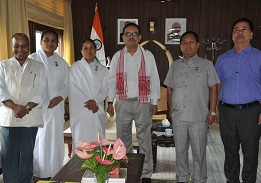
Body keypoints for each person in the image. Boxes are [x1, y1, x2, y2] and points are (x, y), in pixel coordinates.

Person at [107, 22, 160, 183]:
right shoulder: (117, 56)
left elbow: (155, 79)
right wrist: (110, 101)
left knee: (145, 138)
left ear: (140, 37)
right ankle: (125, 169)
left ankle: (146, 174)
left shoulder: (148, 55)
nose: (131, 36)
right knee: (122, 139)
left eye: (134, 34)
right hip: (122, 102)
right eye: (128, 34)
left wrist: (154, 101)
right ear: (123, 37)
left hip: (143, 102)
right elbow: (111, 80)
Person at [164, 31, 220, 183]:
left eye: (191, 42)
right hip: (179, 117)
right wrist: (170, 112)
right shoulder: (175, 66)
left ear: (198, 45)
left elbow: (214, 88)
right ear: (180, 46)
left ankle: (199, 179)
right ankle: (182, 178)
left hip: (199, 117)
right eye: (184, 43)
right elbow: (169, 88)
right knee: (180, 152)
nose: (188, 45)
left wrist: (212, 111)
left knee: (199, 152)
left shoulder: (206, 65)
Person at [215, 18, 261, 183]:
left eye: (244, 29)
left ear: (251, 34)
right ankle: (231, 180)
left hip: (252, 112)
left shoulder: (259, 57)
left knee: (250, 152)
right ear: (232, 35)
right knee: (229, 151)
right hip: (226, 112)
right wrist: (216, 108)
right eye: (236, 29)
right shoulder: (222, 59)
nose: (240, 32)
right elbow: (217, 85)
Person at [0, 33, 47, 183]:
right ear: (12, 47)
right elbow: (0, 90)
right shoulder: (3, 65)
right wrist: (14, 107)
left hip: (29, 118)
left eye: (23, 46)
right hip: (8, 118)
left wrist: (24, 108)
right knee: (8, 156)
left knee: (27, 156)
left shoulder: (39, 67)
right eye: (16, 46)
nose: (20, 49)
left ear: (29, 47)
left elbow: (41, 92)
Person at [29, 29, 69, 181]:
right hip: (37, 108)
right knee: (39, 140)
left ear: (57, 44)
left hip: (56, 107)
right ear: (41, 42)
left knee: (55, 139)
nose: (50, 43)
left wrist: (60, 97)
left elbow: (67, 84)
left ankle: (55, 171)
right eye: (47, 40)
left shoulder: (62, 63)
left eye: (53, 41)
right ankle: (37, 173)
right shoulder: (31, 59)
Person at [69, 38, 108, 148]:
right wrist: (89, 103)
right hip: (81, 110)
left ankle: (99, 164)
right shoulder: (74, 68)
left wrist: (95, 101)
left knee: (98, 141)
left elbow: (105, 89)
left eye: (91, 48)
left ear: (95, 50)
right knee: (82, 142)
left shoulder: (102, 69)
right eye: (85, 48)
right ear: (81, 51)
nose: (88, 51)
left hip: (96, 109)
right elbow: (72, 88)